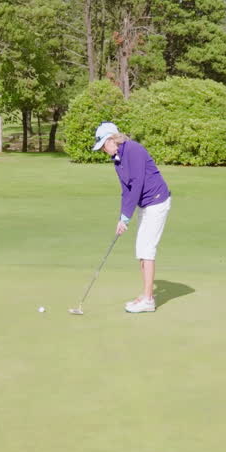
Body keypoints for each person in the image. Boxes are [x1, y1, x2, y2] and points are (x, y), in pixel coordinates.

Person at [93, 122, 171, 313]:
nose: (103, 150)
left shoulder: (133, 150)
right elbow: (126, 190)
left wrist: (127, 216)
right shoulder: (117, 159)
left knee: (147, 249)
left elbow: (137, 184)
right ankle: (146, 294)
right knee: (141, 249)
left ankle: (148, 300)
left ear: (112, 140)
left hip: (157, 201)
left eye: (103, 145)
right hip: (145, 204)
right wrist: (122, 217)